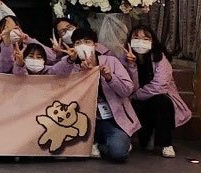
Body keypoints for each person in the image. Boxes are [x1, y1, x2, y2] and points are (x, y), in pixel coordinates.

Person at [51, 27, 139, 162]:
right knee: (66, 151)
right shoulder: (70, 65)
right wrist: (79, 71)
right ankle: (94, 144)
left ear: (95, 45)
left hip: (112, 119)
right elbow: (52, 77)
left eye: (87, 42)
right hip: (81, 120)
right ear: (73, 46)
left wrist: (110, 77)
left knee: (118, 154)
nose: (83, 46)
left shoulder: (111, 61)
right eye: (78, 43)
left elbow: (127, 90)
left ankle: (102, 145)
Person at [124, 24, 191, 159]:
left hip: (157, 99)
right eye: (136, 38)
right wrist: (131, 66)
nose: (141, 42)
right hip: (135, 101)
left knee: (161, 101)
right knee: (126, 104)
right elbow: (127, 86)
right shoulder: (123, 59)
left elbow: (159, 86)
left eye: (145, 39)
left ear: (152, 42)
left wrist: (136, 95)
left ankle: (166, 143)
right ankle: (139, 138)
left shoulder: (160, 58)